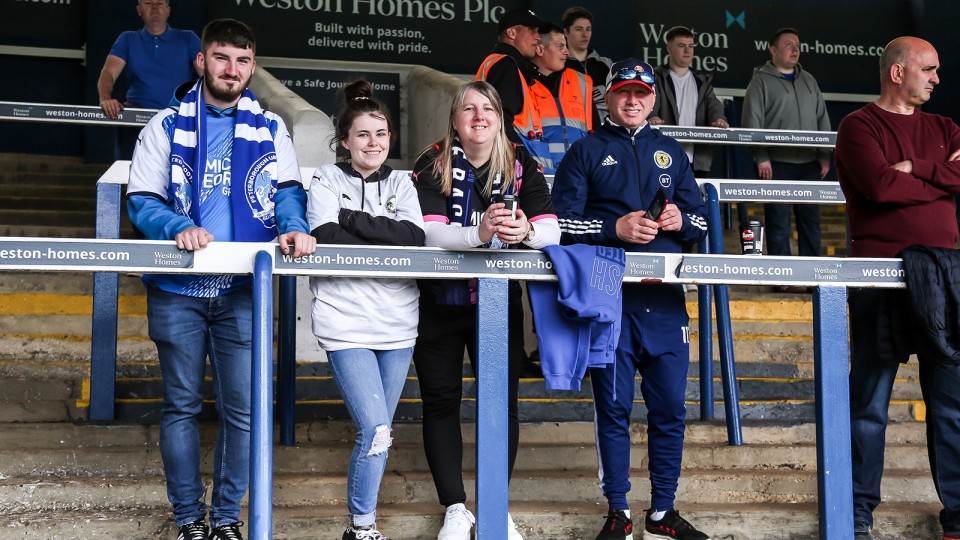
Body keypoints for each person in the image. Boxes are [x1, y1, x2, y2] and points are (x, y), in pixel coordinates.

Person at [126, 19, 316, 540]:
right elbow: (142, 199)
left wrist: (295, 227)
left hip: (242, 291)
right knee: (181, 405)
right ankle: (189, 518)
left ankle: (228, 519)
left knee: (245, 410)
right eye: (221, 57)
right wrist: (178, 225)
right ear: (201, 62)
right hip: (176, 291)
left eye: (242, 60)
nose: (231, 69)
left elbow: (288, 192)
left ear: (253, 67)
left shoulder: (271, 128)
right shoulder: (165, 126)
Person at [552, 59, 710, 540]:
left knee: (670, 412)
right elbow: (559, 225)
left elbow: (702, 224)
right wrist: (613, 229)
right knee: (614, 410)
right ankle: (617, 511)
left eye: (641, 92)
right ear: (608, 98)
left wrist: (681, 221)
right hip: (609, 303)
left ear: (652, 99)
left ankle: (662, 512)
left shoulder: (671, 152)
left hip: (665, 306)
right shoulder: (585, 150)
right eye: (623, 92)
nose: (633, 100)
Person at [411, 80, 560, 540]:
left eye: (488, 108)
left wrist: (523, 231)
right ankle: (456, 507)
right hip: (440, 301)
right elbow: (430, 234)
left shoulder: (519, 161)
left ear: (500, 117)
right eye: (468, 109)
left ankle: (495, 504)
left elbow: (551, 229)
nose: (478, 117)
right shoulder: (431, 161)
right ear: (454, 120)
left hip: (496, 302)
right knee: (440, 400)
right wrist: (480, 232)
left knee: (502, 404)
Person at [836, 37, 960, 540]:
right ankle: (858, 511)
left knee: (951, 406)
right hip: (878, 276)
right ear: (896, 73)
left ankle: (956, 512)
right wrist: (942, 179)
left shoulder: (945, 127)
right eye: (928, 69)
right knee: (869, 404)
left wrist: (919, 169)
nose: (936, 78)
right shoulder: (858, 126)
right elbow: (880, 188)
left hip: (946, 274)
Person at [307, 80, 425, 540]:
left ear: (390, 140)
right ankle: (361, 527)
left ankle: (360, 528)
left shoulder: (403, 182)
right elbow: (324, 234)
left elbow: (414, 238)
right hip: (344, 320)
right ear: (345, 141)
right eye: (362, 135)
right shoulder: (325, 177)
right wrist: (380, 231)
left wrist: (351, 220)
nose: (372, 143)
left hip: (398, 323)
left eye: (381, 135)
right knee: (375, 429)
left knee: (382, 432)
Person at [741, 27, 831, 258]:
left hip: (810, 163)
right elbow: (752, 122)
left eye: (797, 46)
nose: (795, 50)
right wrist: (761, 157)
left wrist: (824, 154)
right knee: (779, 222)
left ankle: (812, 273)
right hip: (776, 164)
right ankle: (782, 276)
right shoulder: (759, 82)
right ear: (773, 50)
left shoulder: (809, 80)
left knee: (811, 222)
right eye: (789, 45)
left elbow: (822, 117)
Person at [98, 0, 200, 157]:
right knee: (128, 173)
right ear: (139, 10)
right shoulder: (127, 39)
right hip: (136, 119)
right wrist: (105, 98)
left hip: (178, 119)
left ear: (168, 10)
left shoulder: (188, 38)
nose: (154, 8)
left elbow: (209, 76)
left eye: (159, 3)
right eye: (148, 3)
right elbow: (108, 73)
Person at [649, 25, 729, 177]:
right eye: (681, 46)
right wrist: (651, 116)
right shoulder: (656, 78)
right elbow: (649, 104)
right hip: (663, 157)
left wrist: (719, 119)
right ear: (669, 48)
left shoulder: (702, 82)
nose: (687, 51)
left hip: (698, 160)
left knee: (695, 201)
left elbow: (714, 105)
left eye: (691, 46)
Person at [529, 24, 597, 174]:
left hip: (581, 176)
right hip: (542, 178)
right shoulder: (523, 83)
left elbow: (596, 131)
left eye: (566, 46)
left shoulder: (581, 82)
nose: (567, 52)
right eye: (560, 46)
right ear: (540, 49)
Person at [476, 8, 548, 151]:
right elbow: (500, 121)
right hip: (514, 167)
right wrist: (523, 161)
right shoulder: (506, 65)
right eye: (532, 30)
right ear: (512, 33)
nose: (538, 37)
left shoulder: (505, 64)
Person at [561, 6, 612, 122]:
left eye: (588, 29)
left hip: (605, 130)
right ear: (566, 32)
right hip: (574, 127)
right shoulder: (560, 65)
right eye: (579, 29)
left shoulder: (605, 64)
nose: (585, 34)